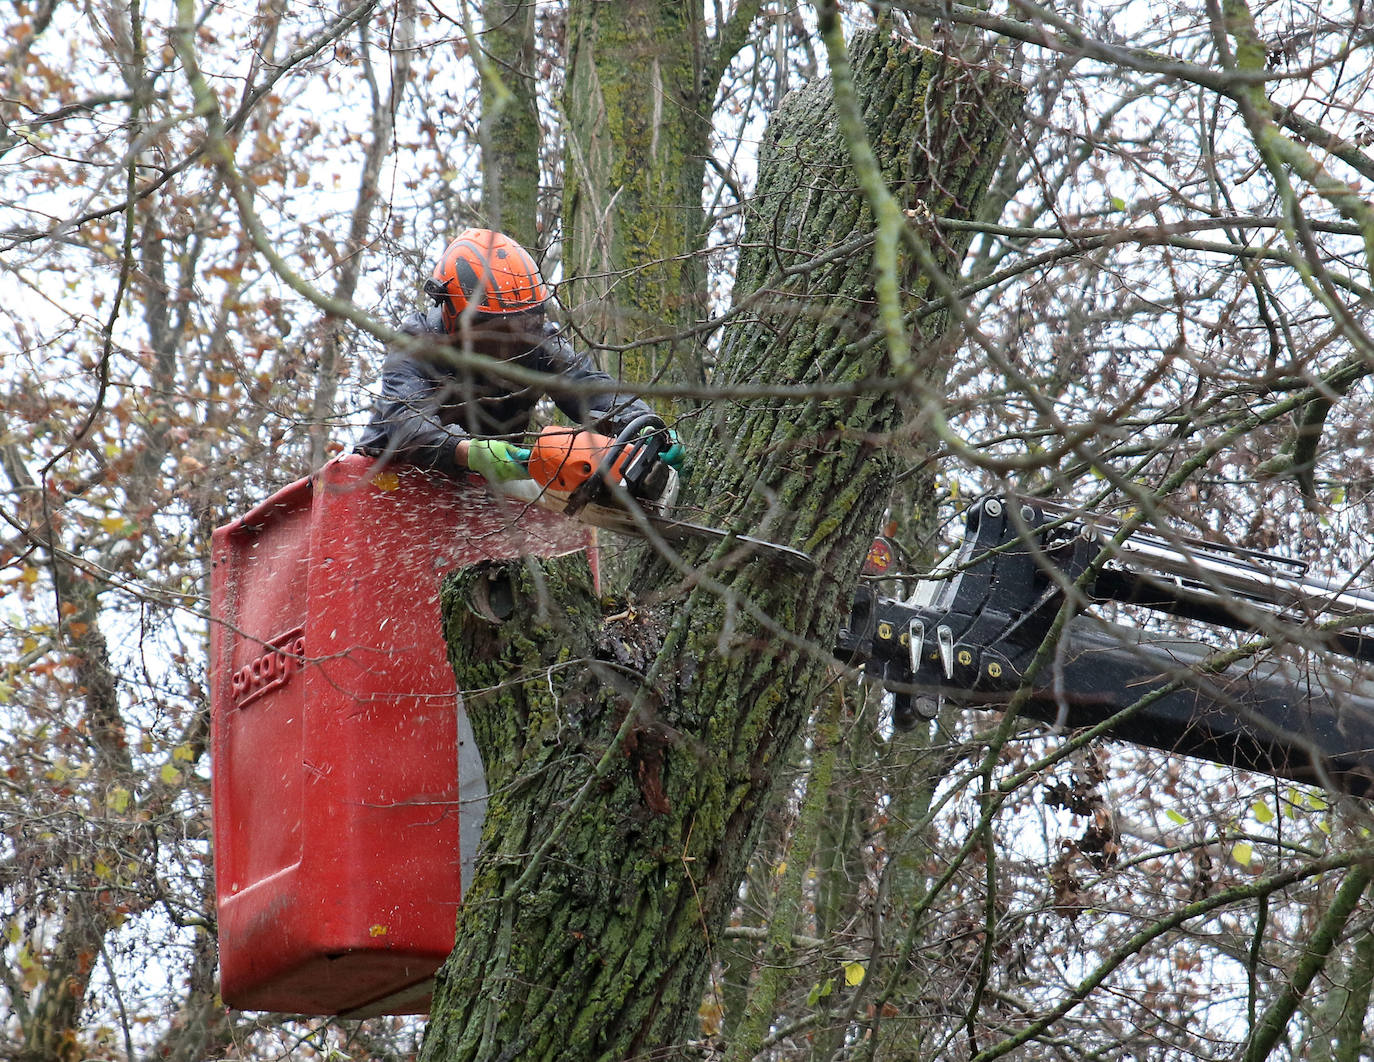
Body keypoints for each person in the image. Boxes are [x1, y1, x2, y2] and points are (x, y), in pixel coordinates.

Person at [357, 228, 682, 484]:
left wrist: (642, 426)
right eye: (497, 330)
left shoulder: (534, 342)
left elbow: (589, 387)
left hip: (476, 494)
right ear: (454, 313)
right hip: (386, 487)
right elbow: (407, 424)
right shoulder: (415, 345)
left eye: (522, 326)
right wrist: (469, 452)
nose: (512, 343)